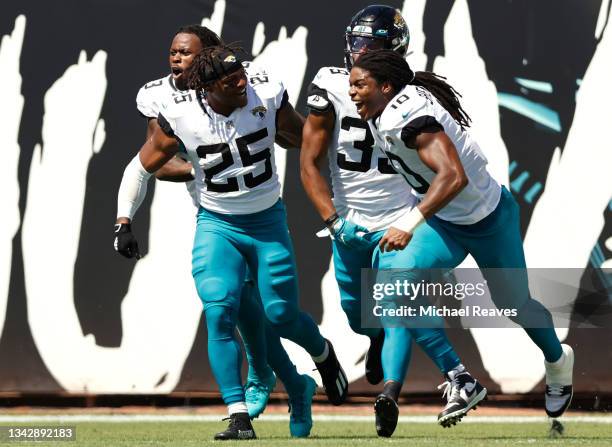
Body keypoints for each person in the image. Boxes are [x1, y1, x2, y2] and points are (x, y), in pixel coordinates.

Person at [114, 44, 348, 440]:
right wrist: (123, 220)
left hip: (267, 222)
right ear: (206, 88)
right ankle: (238, 413)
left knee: (280, 315)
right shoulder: (180, 114)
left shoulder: (265, 92)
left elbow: (301, 137)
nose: (241, 81)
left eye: (240, 73)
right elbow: (141, 167)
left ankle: (322, 354)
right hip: (217, 223)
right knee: (220, 308)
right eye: (230, 80)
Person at [348, 49, 574, 419]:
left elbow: (454, 176)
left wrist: (408, 221)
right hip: (444, 224)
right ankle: (459, 377)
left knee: (514, 305)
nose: (353, 92)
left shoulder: (407, 117)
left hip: (487, 219)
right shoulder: (387, 106)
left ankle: (557, 359)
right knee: (392, 283)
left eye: (360, 85)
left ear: (386, 86)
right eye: (351, 85)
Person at [300, 5, 485, 437]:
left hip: (401, 219)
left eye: (372, 46)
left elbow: (451, 155)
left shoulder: (416, 95)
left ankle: (391, 392)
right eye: (357, 43)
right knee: (357, 315)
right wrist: (333, 220)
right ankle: (383, 343)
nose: (360, 53)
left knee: (396, 306)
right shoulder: (331, 84)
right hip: (348, 220)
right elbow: (308, 162)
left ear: (394, 52)